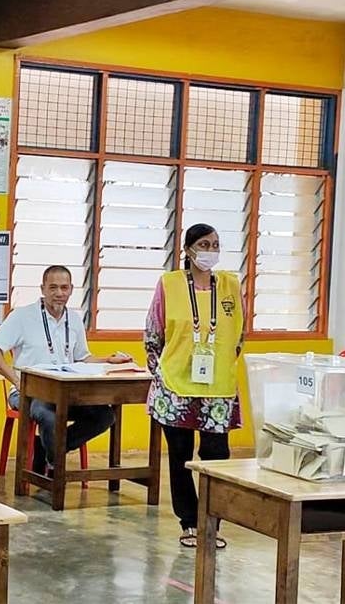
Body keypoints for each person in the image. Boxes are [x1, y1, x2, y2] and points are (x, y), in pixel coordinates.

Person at [144, 223, 244, 549]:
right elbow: (153, 334)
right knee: (180, 456)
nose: (211, 250)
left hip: (218, 388)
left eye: (216, 244)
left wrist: (223, 363)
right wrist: (161, 373)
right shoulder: (170, 284)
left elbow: (239, 335)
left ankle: (212, 521)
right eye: (204, 244)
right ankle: (189, 522)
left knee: (217, 457)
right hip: (176, 386)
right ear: (188, 250)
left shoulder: (229, 284)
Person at [0, 265, 131, 471]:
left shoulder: (74, 319)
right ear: (43, 288)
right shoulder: (21, 316)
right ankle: (55, 468)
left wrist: (107, 360)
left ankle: (47, 452)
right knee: (48, 416)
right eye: (53, 287)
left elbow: (83, 358)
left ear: (71, 289)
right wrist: (18, 382)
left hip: (66, 392)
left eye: (64, 288)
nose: (59, 293)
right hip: (29, 392)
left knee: (105, 415)